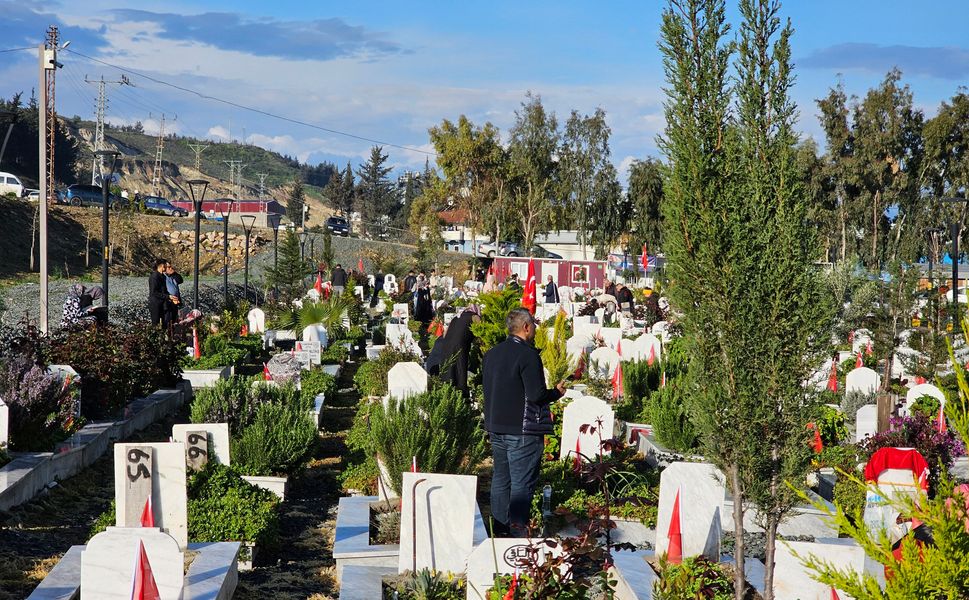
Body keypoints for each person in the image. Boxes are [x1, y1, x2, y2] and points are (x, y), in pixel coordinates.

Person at [483, 308, 565, 537]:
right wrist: (556, 393)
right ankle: (517, 533)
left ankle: (499, 531)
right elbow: (536, 394)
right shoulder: (528, 355)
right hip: (522, 430)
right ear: (526, 327)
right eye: (534, 325)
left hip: (496, 427)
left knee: (501, 480)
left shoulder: (492, 353)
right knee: (521, 484)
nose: (536, 329)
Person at [425, 305, 480, 396]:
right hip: (460, 345)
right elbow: (481, 331)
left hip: (447, 345)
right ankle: (461, 392)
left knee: (449, 367)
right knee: (460, 367)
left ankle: (447, 389)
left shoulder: (456, 317)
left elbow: (445, 334)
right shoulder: (474, 316)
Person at [148, 258, 175, 326]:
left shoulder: (163, 276)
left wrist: (171, 297)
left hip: (163, 303)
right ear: (162, 265)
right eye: (166, 265)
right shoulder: (154, 277)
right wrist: (168, 296)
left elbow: (164, 290)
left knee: (165, 323)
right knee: (156, 324)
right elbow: (154, 292)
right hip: (155, 304)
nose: (166, 267)